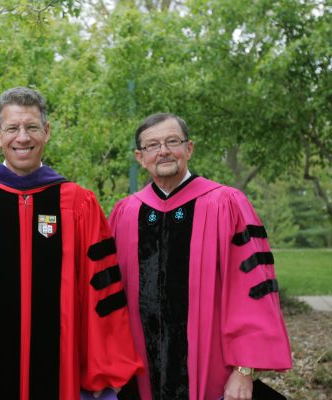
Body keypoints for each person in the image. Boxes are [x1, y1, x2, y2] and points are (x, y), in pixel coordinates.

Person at [0, 87, 143, 400]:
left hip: (60, 371)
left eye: (32, 127)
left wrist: (106, 367)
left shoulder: (78, 203)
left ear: (46, 132)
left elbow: (100, 290)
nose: (22, 137)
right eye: (12, 128)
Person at [108, 113, 292, 400]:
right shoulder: (125, 214)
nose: (163, 151)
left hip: (214, 377)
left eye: (172, 141)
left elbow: (252, 291)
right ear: (140, 157)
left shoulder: (227, 205)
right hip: (142, 378)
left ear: (189, 148)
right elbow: (109, 299)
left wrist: (244, 370)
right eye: (152, 145)